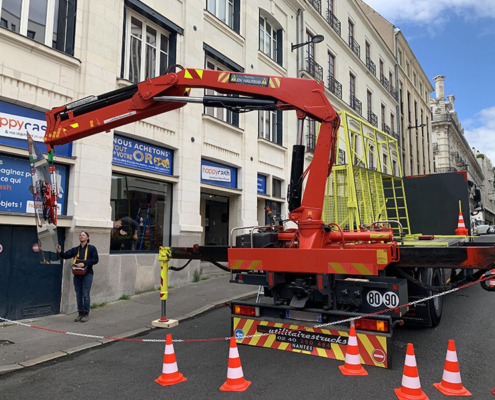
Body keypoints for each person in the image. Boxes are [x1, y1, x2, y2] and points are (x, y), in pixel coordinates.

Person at [57, 231, 99, 322]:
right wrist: (60, 252)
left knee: (85, 294)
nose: (81, 236)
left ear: (87, 238)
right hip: (77, 274)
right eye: (80, 235)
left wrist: (84, 263)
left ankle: (86, 313)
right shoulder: (76, 249)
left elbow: (95, 260)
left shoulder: (92, 248)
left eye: (83, 235)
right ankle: (80, 313)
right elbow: (65, 255)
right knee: (79, 295)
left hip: (87, 274)